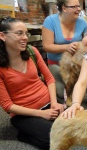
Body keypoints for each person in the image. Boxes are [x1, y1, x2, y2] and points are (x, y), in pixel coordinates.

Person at [0, 17, 64, 150]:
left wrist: (54, 102)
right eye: (19, 33)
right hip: (25, 114)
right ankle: (24, 135)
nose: (25, 37)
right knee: (54, 139)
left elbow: (49, 78)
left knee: (74, 125)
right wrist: (41, 114)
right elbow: (7, 105)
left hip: (48, 103)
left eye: (26, 33)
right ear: (2, 36)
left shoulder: (31, 52)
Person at [42, 0, 87, 104]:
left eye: (79, 6)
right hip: (56, 63)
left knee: (76, 93)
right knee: (60, 94)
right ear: (64, 8)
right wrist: (66, 47)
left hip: (76, 64)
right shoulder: (50, 21)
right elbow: (47, 46)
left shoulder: (83, 22)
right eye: (74, 7)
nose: (78, 9)